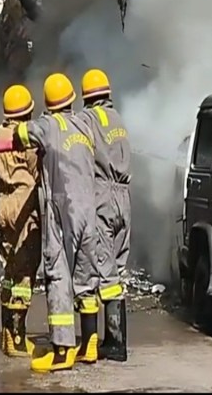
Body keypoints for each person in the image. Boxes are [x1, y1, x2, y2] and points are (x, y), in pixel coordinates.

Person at [12, 73, 98, 373]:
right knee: (87, 275)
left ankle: (63, 351)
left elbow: (21, 134)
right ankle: (90, 342)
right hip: (90, 208)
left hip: (62, 208)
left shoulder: (48, 125)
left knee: (58, 275)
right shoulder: (85, 123)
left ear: (48, 105)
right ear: (72, 100)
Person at [77, 69, 132, 362]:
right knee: (119, 269)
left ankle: (113, 343)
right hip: (125, 196)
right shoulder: (118, 118)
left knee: (103, 269)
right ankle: (118, 339)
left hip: (104, 195)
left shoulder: (88, 119)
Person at [0, 85, 42, 358]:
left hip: (3, 203)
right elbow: (37, 169)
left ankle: (4, 332)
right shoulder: (27, 136)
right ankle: (18, 336)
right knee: (24, 272)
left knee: (10, 270)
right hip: (24, 203)